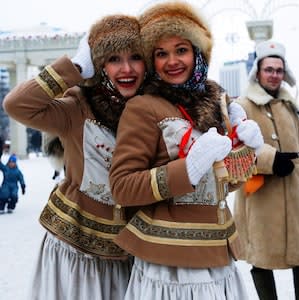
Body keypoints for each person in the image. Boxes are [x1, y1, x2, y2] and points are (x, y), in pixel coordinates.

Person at [108, 2, 261, 299]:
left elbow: (222, 185)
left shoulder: (215, 102)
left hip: (219, 253)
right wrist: (189, 167)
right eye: (161, 53)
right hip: (171, 263)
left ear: (198, 53)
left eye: (181, 50)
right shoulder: (143, 107)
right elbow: (122, 187)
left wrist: (248, 152)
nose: (172, 61)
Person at [3, 14, 146, 299]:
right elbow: (17, 105)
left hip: (133, 248)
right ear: (99, 64)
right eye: (113, 58)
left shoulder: (155, 108)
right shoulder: (77, 106)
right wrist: (75, 67)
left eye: (135, 57)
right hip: (77, 249)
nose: (126, 68)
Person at [233, 40, 299, 299]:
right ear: (258, 72)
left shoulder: (289, 108)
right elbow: (235, 152)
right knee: (262, 260)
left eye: (279, 70)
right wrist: (269, 160)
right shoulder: (242, 106)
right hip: (259, 194)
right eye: (269, 69)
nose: (274, 75)